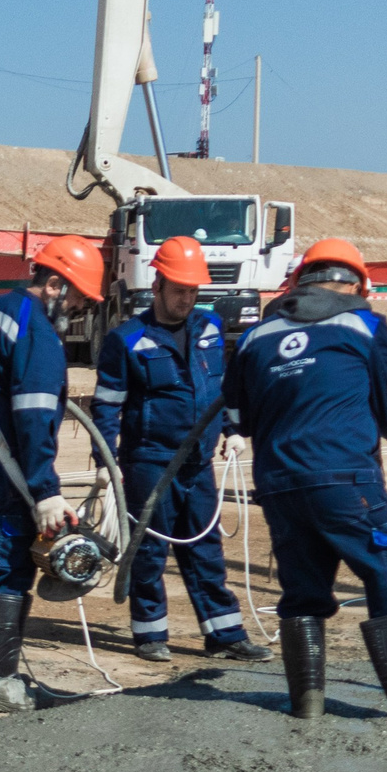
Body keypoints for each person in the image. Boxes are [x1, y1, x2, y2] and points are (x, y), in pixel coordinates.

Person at [224, 237, 387, 727]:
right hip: (344, 478)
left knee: (303, 593)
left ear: (300, 282)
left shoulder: (255, 337)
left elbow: (236, 416)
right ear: (355, 285)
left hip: (279, 485)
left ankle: (307, 706)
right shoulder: (363, 323)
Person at [91, 236, 269, 665]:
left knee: (206, 546)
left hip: (198, 462)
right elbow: (107, 405)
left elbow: (218, 389)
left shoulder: (208, 328)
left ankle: (224, 634)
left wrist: (232, 429)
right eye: (179, 291)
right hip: (149, 461)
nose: (187, 299)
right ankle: (149, 632)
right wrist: (104, 462)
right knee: (150, 549)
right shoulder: (127, 340)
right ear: (157, 285)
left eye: (193, 291)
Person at [0, 235, 100, 712]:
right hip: (5, 464)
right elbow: (33, 417)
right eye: (75, 300)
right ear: (54, 284)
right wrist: (46, 491)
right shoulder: (36, 332)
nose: (75, 311)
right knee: (7, 563)